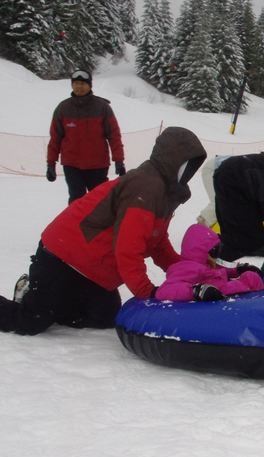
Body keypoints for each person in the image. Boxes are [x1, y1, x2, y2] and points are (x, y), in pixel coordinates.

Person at [0, 126, 207, 336]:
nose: (189, 170)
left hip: (93, 270)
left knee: (104, 317)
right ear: (174, 160)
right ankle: (37, 295)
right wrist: (149, 292)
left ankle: (53, 300)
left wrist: (189, 271)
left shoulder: (164, 191)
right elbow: (127, 250)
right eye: (187, 163)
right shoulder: (146, 186)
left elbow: (158, 243)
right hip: (63, 258)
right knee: (29, 321)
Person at [46, 69, 126, 203]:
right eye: (76, 83)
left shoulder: (102, 107)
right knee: (76, 200)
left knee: (99, 201)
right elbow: (55, 138)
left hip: (98, 165)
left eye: (83, 83)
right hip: (72, 166)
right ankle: (75, 224)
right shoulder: (63, 108)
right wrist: (50, 163)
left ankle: (100, 224)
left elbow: (114, 135)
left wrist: (119, 160)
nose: (79, 87)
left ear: (90, 85)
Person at [155, 224, 264, 302]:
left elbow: (223, 267)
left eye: (218, 250)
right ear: (203, 253)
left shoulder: (209, 262)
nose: (217, 256)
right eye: (215, 251)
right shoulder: (186, 269)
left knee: (251, 277)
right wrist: (195, 291)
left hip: (221, 294)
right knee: (250, 279)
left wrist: (238, 268)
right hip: (216, 297)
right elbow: (163, 291)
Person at [197, 144, 264, 226]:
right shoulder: (257, 167)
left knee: (229, 205)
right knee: (219, 203)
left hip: (224, 173)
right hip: (213, 169)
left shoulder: (262, 168)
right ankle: (200, 226)